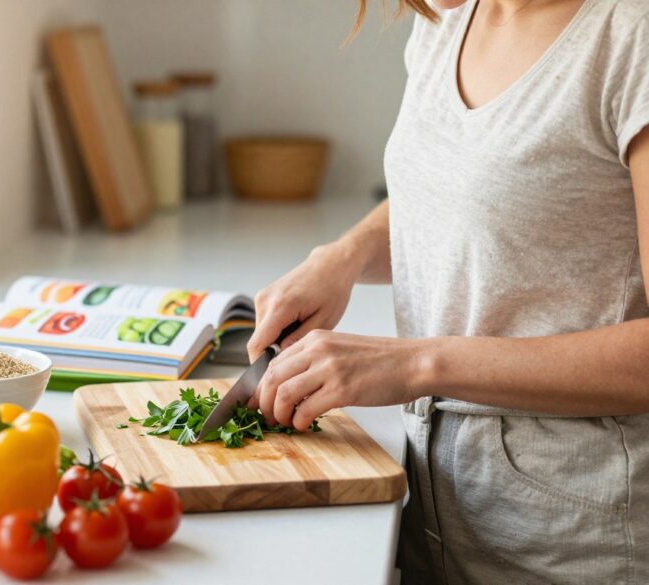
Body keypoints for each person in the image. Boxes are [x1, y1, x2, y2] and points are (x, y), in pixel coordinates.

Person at [246, 0, 649, 583]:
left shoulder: (630, 36)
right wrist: (345, 255)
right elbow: (462, 191)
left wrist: (419, 364)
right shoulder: (452, 16)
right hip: (437, 517)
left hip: (574, 544)